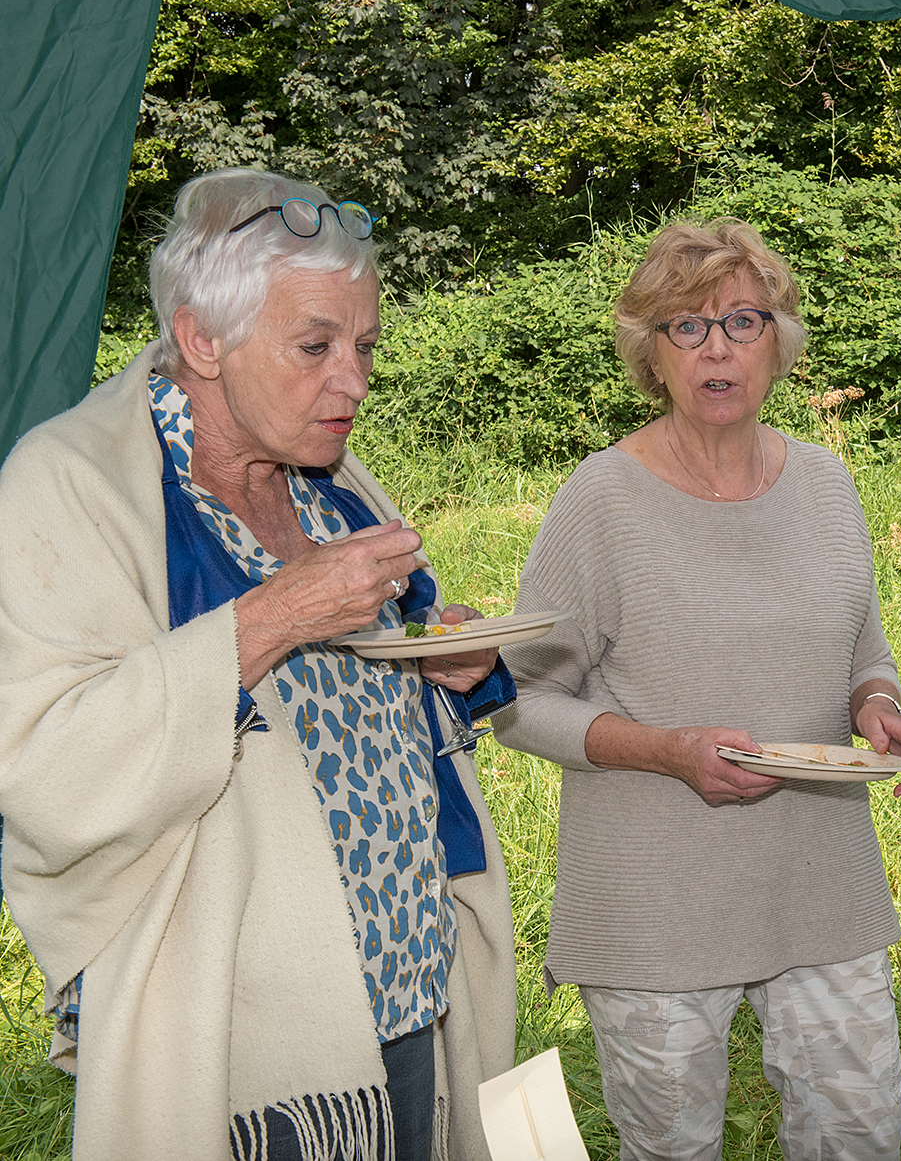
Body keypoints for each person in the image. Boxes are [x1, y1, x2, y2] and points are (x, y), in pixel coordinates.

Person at [0, 169, 517, 1161]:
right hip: (237, 1042)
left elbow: (363, 698)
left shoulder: (331, 484)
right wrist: (271, 617)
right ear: (202, 339)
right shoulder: (71, 485)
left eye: (365, 346)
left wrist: (447, 663)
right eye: (316, 346)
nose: (354, 380)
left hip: (412, 988)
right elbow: (43, 771)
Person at [492, 217, 901, 1161]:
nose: (717, 348)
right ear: (651, 356)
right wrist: (665, 751)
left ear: (779, 343)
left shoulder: (824, 482)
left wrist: (878, 709)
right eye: (686, 327)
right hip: (654, 901)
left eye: (742, 321)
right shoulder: (601, 499)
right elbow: (518, 699)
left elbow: (862, 647)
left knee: (860, 1137)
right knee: (673, 1150)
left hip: (819, 883)